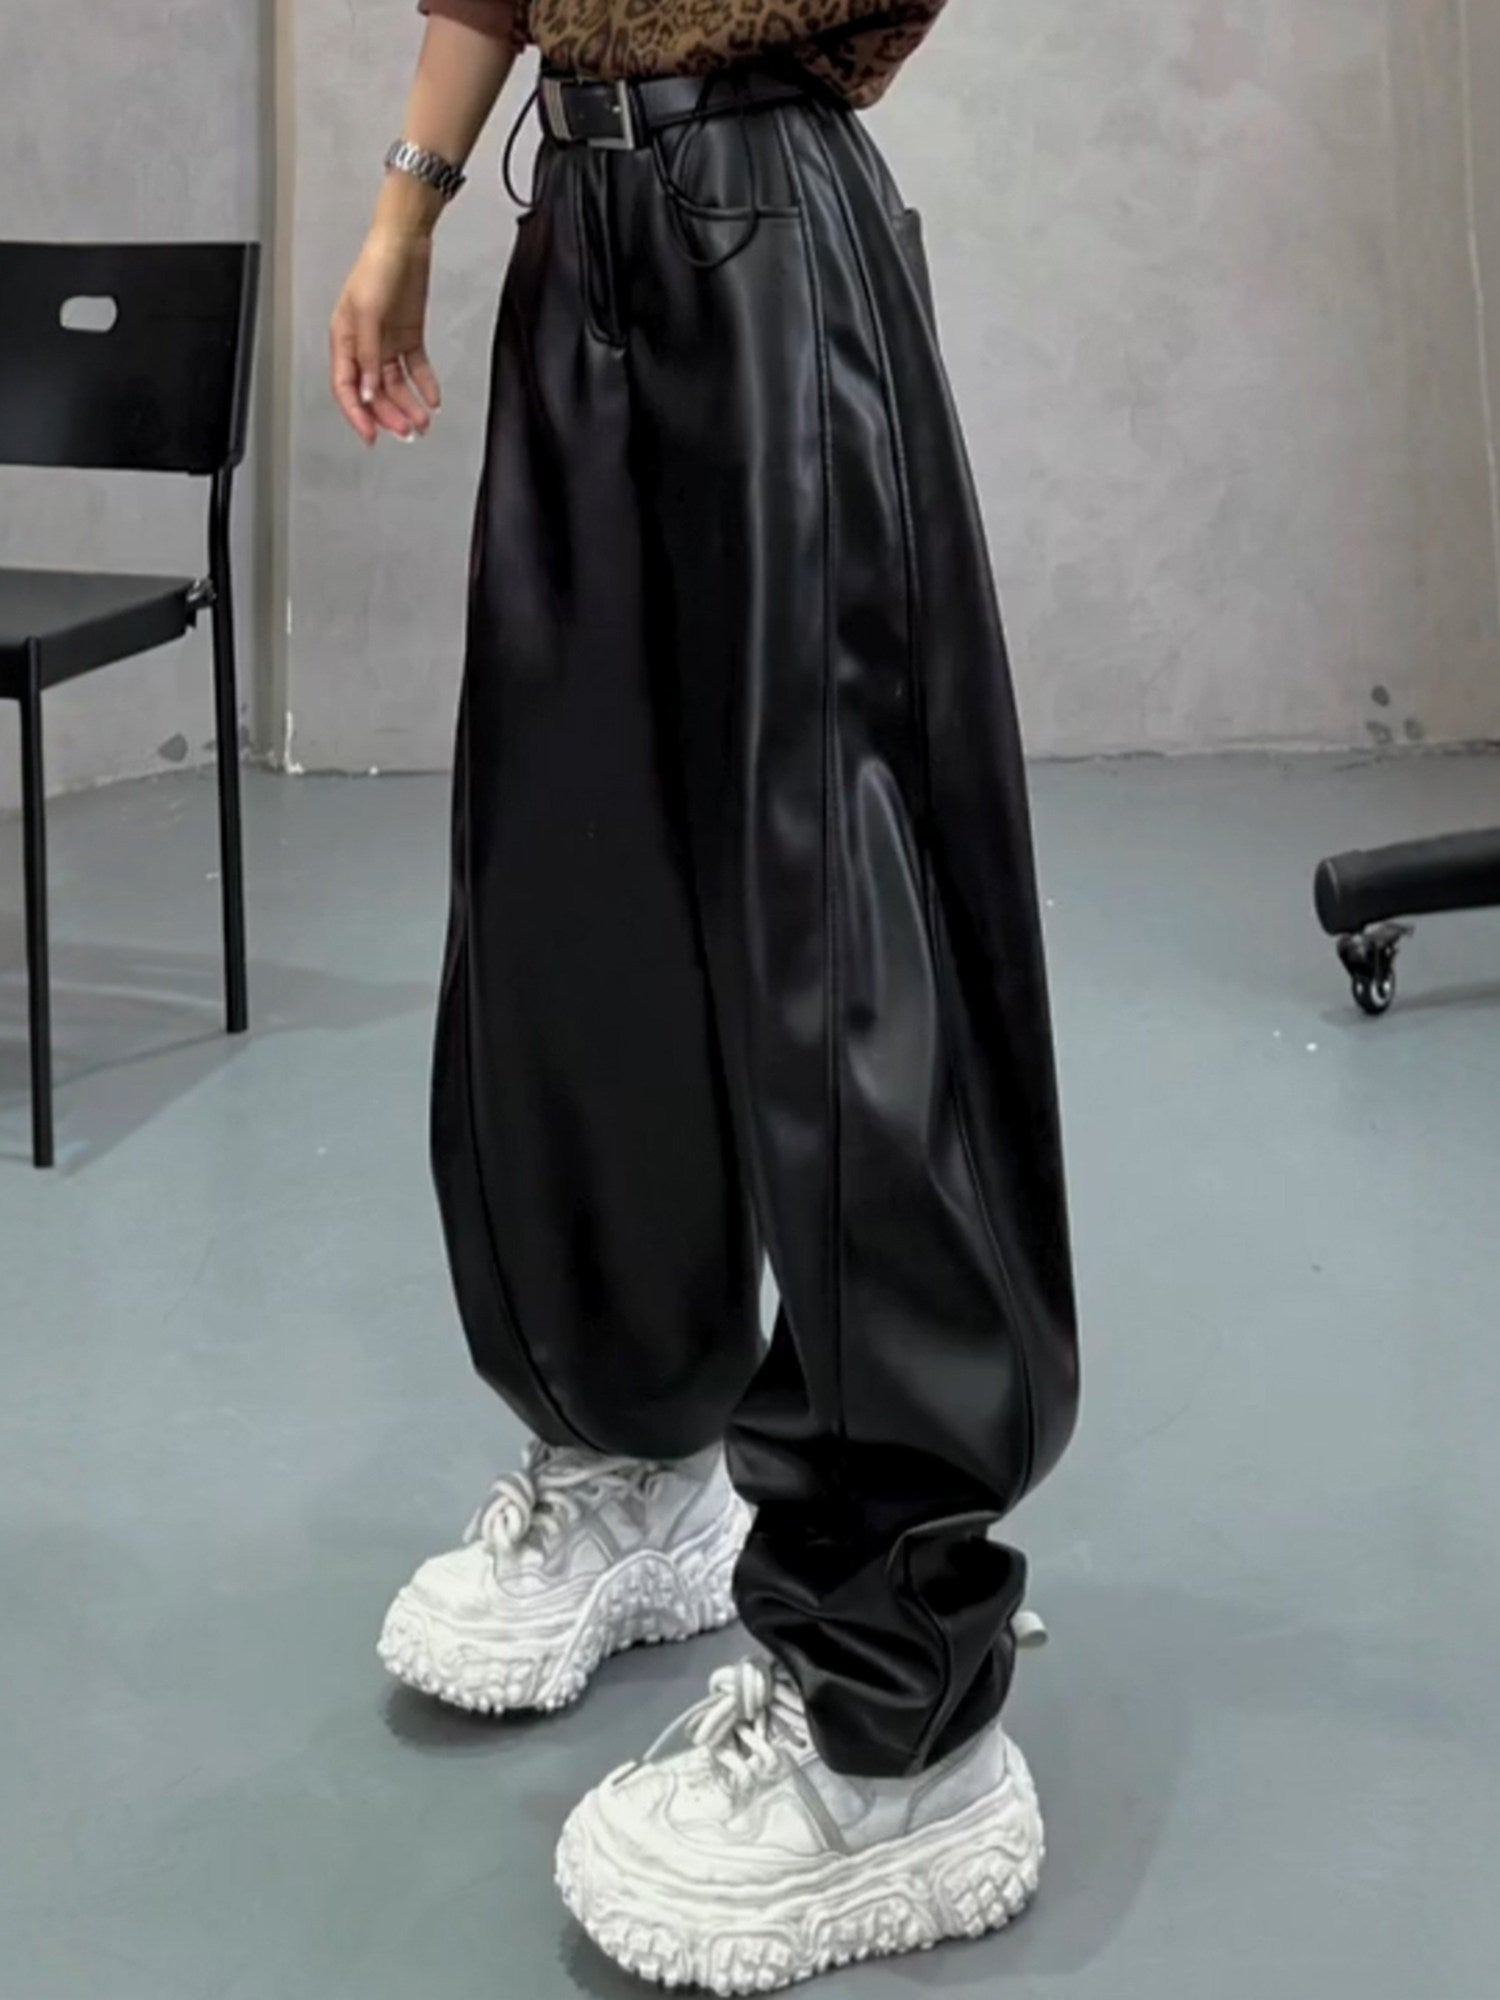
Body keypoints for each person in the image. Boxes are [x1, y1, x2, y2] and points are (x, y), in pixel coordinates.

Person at [329, 3, 1080, 1989]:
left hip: (768, 217)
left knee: (839, 930)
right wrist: (409, 204)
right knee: (566, 881)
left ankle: (904, 1705)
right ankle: (631, 1446)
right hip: (574, 224)